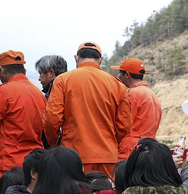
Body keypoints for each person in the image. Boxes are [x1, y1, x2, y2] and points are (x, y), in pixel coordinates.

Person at [43, 41, 131, 179]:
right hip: (106, 156)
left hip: (72, 156)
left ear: (76, 59)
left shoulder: (63, 80)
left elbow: (52, 119)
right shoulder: (117, 85)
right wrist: (110, 141)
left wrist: (54, 143)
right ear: (100, 60)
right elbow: (124, 125)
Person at [0, 50, 47, 181]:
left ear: (2, 71)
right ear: (24, 71)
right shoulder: (38, 94)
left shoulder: (3, 91)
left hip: (7, 162)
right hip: (33, 163)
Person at [110, 58, 162, 160]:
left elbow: (123, 123)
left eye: (120, 73)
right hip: (148, 149)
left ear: (127, 75)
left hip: (130, 151)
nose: (118, 77)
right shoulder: (152, 95)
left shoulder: (133, 94)